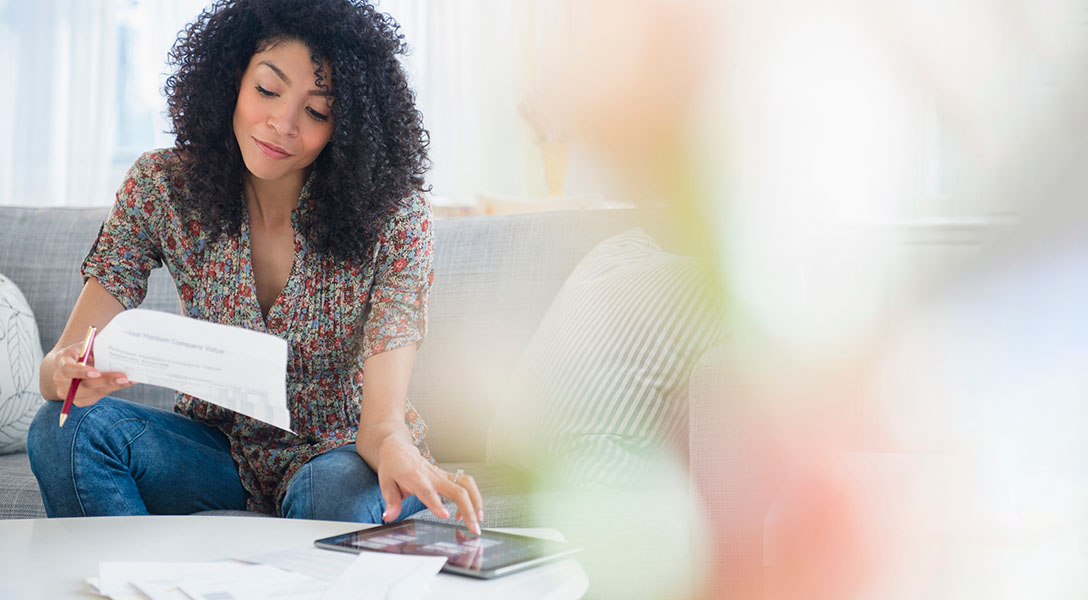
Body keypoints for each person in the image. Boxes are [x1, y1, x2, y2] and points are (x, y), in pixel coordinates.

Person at [26, 0, 483, 534]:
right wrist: (63, 374)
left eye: (316, 112)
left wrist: (399, 451)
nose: (281, 124)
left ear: (348, 126)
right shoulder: (161, 188)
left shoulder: (394, 214)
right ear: (232, 78)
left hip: (339, 453)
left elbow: (380, 425)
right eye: (268, 90)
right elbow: (57, 368)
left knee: (329, 495)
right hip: (215, 453)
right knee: (64, 432)